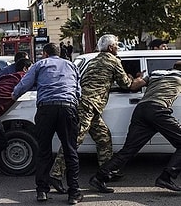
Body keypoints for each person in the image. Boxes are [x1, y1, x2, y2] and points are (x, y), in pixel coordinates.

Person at [49, 34, 146, 195]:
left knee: (104, 138)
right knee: (74, 142)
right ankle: (56, 175)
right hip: (87, 106)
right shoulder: (113, 60)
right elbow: (128, 85)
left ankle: (105, 174)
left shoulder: (94, 60)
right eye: (116, 45)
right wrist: (142, 79)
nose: (118, 48)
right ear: (110, 48)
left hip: (88, 106)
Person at [89, 61, 181, 193]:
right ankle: (166, 177)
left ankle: (99, 177)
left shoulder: (155, 74)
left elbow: (134, 86)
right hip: (158, 110)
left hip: (141, 110)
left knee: (128, 150)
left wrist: (138, 77)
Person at [11, 43, 83, 205]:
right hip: (67, 108)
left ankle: (42, 191)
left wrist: (14, 95)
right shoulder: (71, 65)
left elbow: (24, 84)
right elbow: (78, 91)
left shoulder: (40, 65)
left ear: (44, 53)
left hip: (46, 110)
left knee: (43, 151)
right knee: (70, 151)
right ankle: (74, 193)